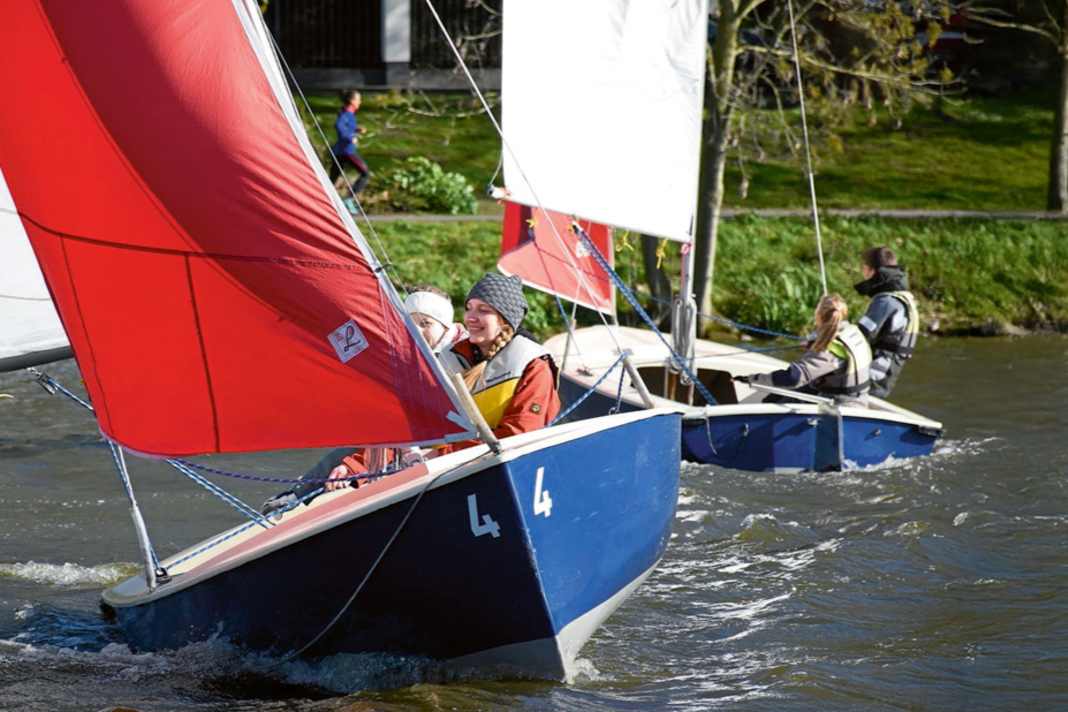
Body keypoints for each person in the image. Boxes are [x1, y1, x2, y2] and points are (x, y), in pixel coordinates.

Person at [321, 272, 561, 491]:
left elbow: (519, 436)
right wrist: (356, 467)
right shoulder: (449, 359)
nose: (471, 317)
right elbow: (408, 424)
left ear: (505, 320)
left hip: (508, 478)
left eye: (483, 310)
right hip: (451, 476)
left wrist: (442, 453)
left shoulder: (533, 364)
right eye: (469, 308)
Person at [736, 294, 872, 404]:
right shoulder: (852, 333)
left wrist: (752, 379)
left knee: (770, 402)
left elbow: (793, 378)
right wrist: (815, 343)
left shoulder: (828, 351)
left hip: (838, 406)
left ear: (819, 315)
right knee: (775, 397)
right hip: (856, 398)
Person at [854, 246, 919, 398]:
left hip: (871, 379)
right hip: (884, 378)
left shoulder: (885, 302)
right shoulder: (903, 298)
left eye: (863, 267)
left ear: (870, 270)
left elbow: (859, 338)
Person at [328, 89, 371, 199]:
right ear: (352, 101)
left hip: (339, 152)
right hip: (346, 151)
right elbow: (339, 125)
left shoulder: (348, 113)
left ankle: (322, 199)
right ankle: (348, 199)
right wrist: (350, 137)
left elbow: (344, 126)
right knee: (365, 173)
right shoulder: (347, 113)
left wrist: (356, 129)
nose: (360, 102)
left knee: (331, 181)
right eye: (358, 99)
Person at [404, 284, 467, 354]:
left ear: (445, 327)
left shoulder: (469, 355)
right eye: (411, 325)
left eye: (426, 323)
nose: (417, 331)